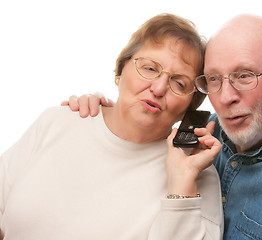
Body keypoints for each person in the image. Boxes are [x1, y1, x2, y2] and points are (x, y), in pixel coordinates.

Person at [67, 14, 262, 239]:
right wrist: (101, 112)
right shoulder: (200, 132)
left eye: (245, 76)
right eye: (214, 79)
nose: (226, 97)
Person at [0, 14, 224, 239]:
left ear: (189, 105)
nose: (158, 88)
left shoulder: (197, 173)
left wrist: (181, 183)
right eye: (149, 68)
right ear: (120, 71)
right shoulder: (57, 121)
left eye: (179, 83)